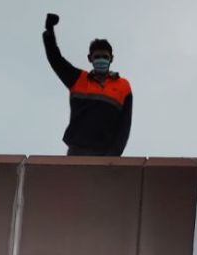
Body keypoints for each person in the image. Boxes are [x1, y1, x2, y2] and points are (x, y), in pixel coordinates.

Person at [42, 13, 133, 156]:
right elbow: (56, 60)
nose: (101, 60)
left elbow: (124, 125)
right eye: (97, 57)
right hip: (77, 150)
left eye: (105, 57)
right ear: (90, 58)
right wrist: (49, 32)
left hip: (106, 153)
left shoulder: (123, 86)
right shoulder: (78, 79)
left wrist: (115, 154)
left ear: (111, 59)